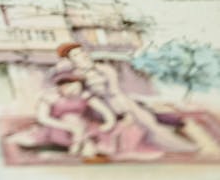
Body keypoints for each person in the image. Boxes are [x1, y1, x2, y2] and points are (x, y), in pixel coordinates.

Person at [52, 42, 196, 158]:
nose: (83, 56)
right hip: (94, 107)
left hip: (113, 101)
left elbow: (115, 92)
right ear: (70, 59)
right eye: (76, 55)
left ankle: (163, 137)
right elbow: (76, 95)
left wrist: (125, 110)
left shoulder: (105, 69)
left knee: (136, 111)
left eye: (82, 52)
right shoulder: (72, 75)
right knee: (134, 110)